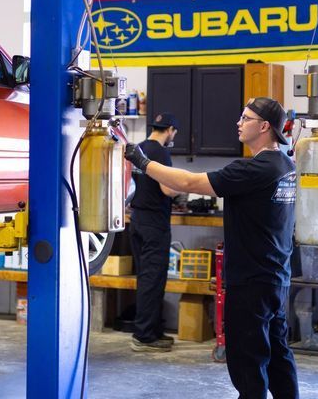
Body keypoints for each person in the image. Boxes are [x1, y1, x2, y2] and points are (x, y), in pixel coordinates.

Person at [124, 97, 299, 399]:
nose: (239, 123)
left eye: (246, 118)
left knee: (248, 361)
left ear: (264, 126)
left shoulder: (254, 169)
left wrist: (142, 162)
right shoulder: (285, 164)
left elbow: (188, 184)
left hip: (250, 279)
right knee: (277, 355)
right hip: (275, 275)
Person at [128, 112, 179, 353]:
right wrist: (182, 188)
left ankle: (153, 330)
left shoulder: (139, 148)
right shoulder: (160, 152)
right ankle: (144, 336)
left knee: (146, 278)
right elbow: (167, 188)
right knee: (153, 279)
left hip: (137, 219)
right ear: (170, 129)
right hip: (154, 224)